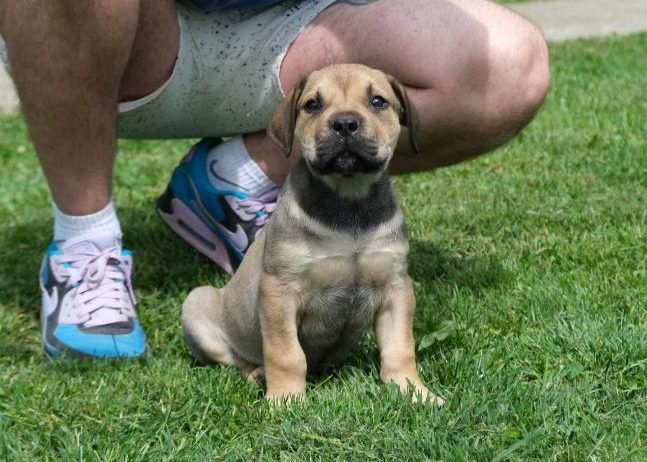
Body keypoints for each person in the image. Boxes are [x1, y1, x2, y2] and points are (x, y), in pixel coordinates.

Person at [0, 0, 549, 358]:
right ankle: (85, 240)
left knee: (509, 62)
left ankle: (234, 179)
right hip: (123, 28)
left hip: (299, 22)